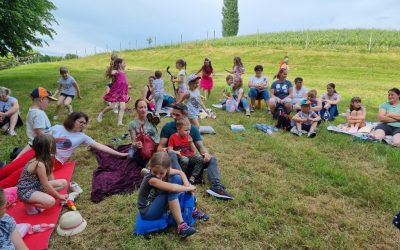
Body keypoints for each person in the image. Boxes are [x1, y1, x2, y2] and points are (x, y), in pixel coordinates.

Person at [157, 103, 233, 200]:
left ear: (185, 115)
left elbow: (200, 147)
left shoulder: (192, 129)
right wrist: (165, 150)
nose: (173, 117)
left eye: (177, 115)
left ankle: (216, 187)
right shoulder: (168, 127)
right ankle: (180, 181)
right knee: (173, 154)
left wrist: (205, 154)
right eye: (173, 114)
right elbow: (160, 148)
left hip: (190, 161)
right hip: (174, 162)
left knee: (212, 159)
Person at [138, 152, 209, 238]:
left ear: (167, 169)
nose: (157, 175)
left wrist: (186, 183)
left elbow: (180, 172)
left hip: (156, 202)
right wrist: (188, 188)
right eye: (154, 172)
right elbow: (173, 188)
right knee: (172, 191)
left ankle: (192, 209)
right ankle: (181, 227)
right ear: (150, 167)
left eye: (161, 173)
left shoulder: (166, 170)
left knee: (177, 178)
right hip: (147, 211)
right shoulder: (151, 179)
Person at [17, 134, 68, 215]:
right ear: (47, 148)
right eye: (52, 144)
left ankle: (40, 198)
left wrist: (54, 193)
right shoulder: (38, 163)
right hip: (26, 190)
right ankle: (29, 204)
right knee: (51, 202)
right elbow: (46, 185)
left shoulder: (47, 159)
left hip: (37, 186)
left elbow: (51, 179)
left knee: (63, 183)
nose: (54, 145)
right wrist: (59, 196)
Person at [16, 87, 57, 159]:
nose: (48, 104)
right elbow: (39, 133)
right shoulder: (38, 114)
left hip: (34, 143)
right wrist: (51, 144)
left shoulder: (33, 110)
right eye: (48, 101)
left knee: (19, 158)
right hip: (40, 145)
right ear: (41, 99)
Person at [167, 118, 204, 184]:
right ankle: (180, 177)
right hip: (180, 156)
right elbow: (170, 150)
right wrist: (176, 152)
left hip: (189, 156)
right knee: (185, 160)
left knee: (200, 158)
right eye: (186, 130)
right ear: (178, 129)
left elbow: (194, 152)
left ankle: (193, 177)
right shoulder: (173, 137)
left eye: (189, 130)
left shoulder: (188, 136)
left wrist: (191, 143)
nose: (188, 132)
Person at [97, 58, 130, 126]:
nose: (125, 64)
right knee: (112, 107)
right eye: (124, 63)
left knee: (123, 107)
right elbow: (110, 73)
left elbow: (124, 82)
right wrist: (111, 66)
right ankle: (101, 113)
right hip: (116, 91)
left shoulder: (123, 72)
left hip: (123, 92)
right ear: (120, 64)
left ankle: (119, 122)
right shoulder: (116, 71)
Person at [128, 99, 160, 165]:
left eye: (145, 107)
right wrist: (136, 144)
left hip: (156, 146)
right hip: (144, 150)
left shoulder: (151, 118)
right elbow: (133, 142)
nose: (143, 110)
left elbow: (157, 135)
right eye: (140, 107)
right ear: (136, 109)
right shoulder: (133, 124)